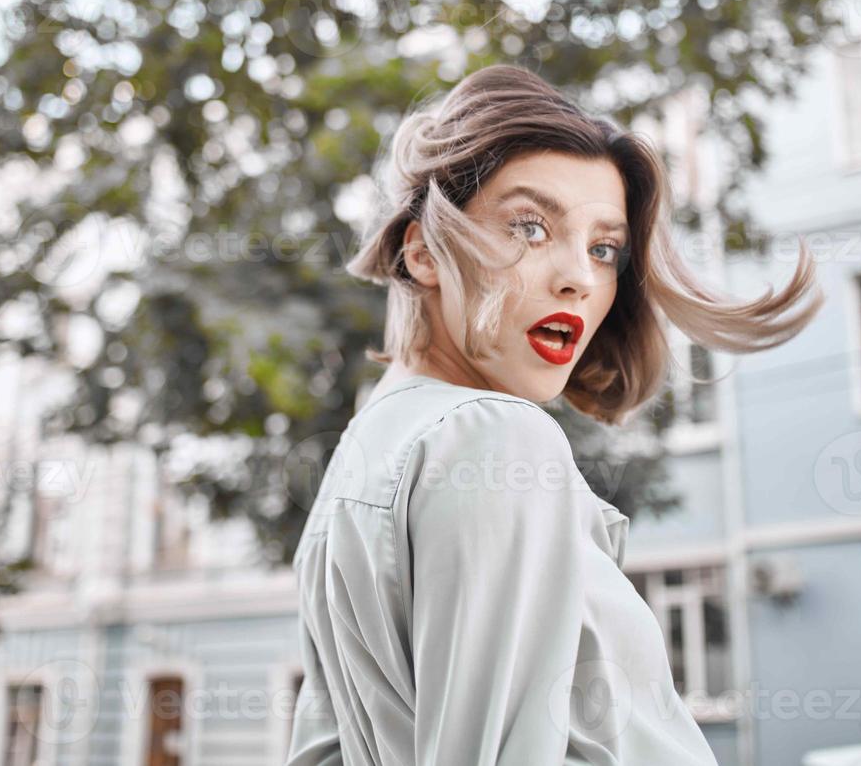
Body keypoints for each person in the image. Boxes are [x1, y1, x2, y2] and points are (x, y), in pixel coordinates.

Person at [285, 64, 823, 764]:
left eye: (604, 248)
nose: (578, 276)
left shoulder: (364, 455)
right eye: (531, 227)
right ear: (421, 251)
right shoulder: (490, 437)